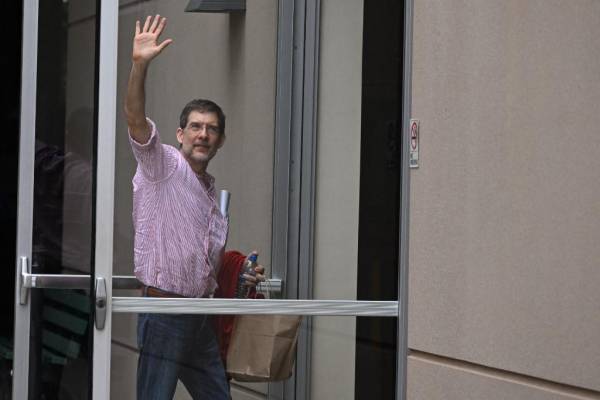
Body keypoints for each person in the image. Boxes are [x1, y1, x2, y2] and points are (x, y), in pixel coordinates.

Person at [125, 15, 264, 400]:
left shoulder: (210, 194)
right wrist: (140, 66)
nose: (204, 134)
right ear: (179, 133)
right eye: (196, 126)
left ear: (221, 140)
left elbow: (208, 263)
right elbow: (136, 121)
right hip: (165, 314)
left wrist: (240, 274)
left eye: (212, 129)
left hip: (198, 317)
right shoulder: (162, 165)